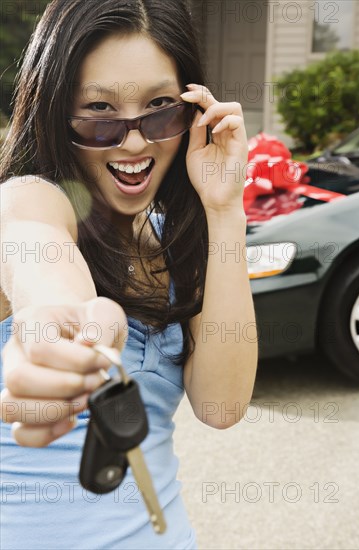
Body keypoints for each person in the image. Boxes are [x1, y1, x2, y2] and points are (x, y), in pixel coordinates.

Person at [0, 0, 258, 548]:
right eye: (99, 112)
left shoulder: (175, 239)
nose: (135, 141)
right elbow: (31, 246)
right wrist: (61, 327)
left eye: (161, 108)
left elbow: (220, 407)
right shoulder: (30, 199)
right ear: (55, 114)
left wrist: (224, 209)